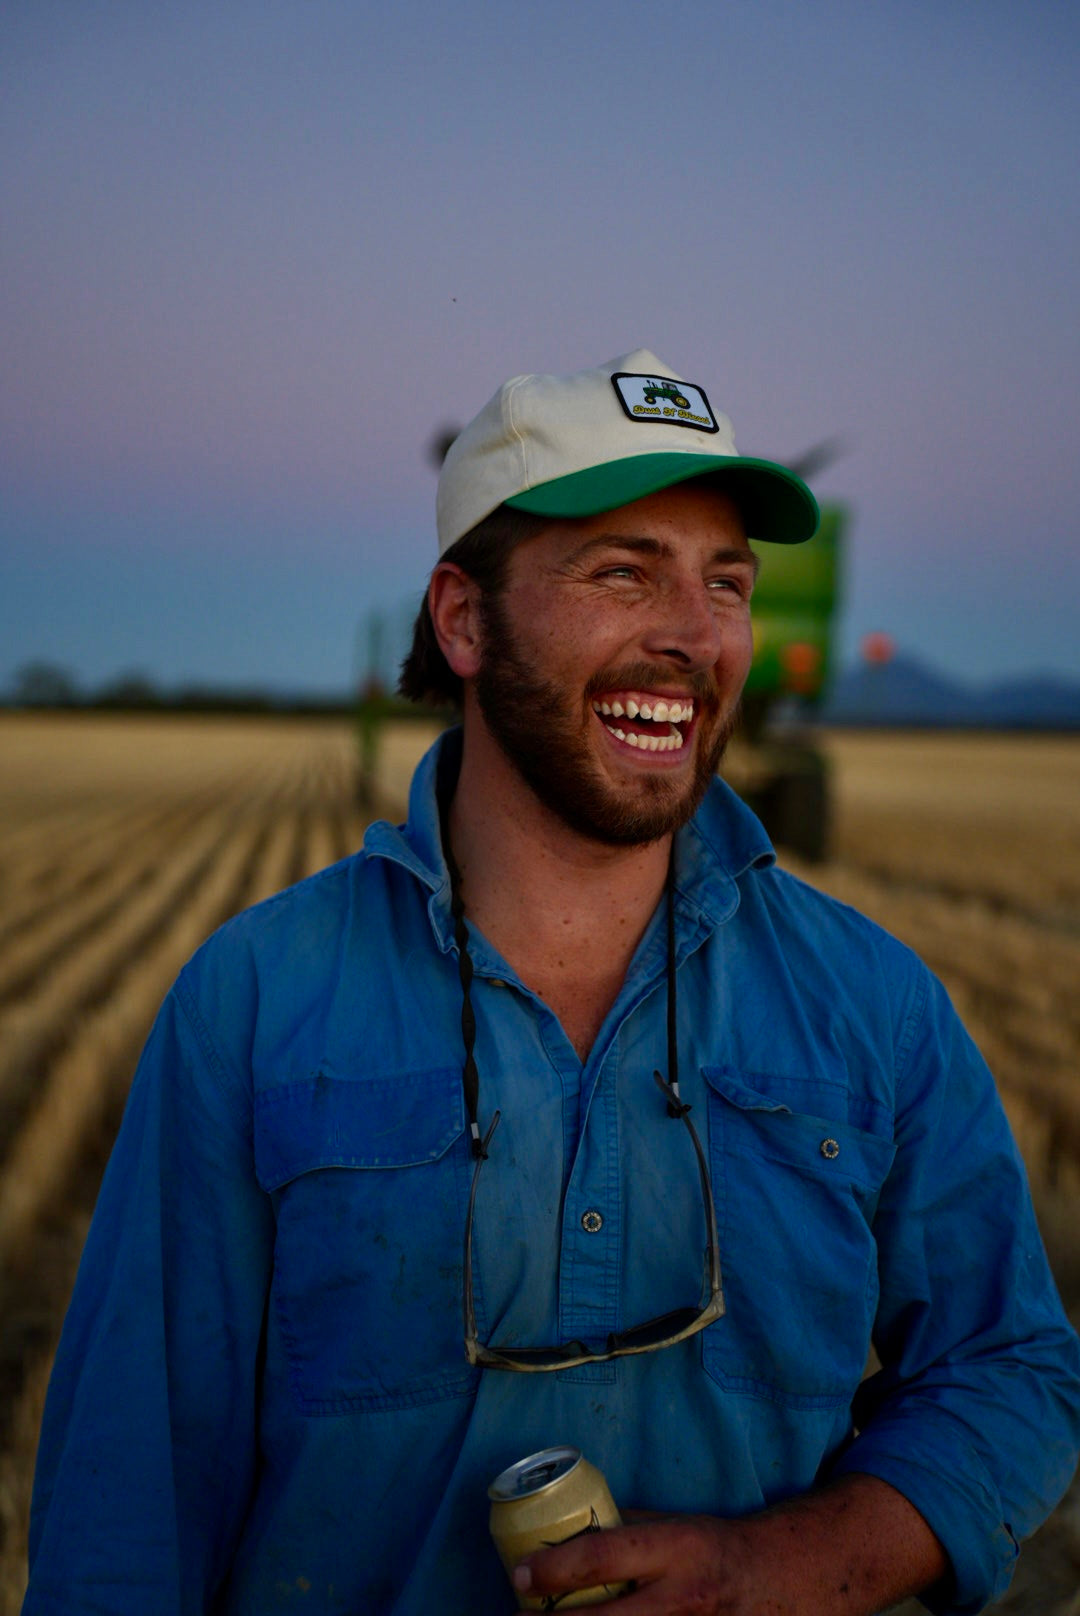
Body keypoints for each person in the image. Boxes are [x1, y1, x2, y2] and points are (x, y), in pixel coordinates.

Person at [24, 350, 1080, 1616]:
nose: (694, 634)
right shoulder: (252, 1003)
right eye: (623, 572)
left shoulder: (875, 1005)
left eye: (726, 583)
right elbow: (130, 1497)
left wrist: (779, 1569)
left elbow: (1011, 1367)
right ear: (464, 619)